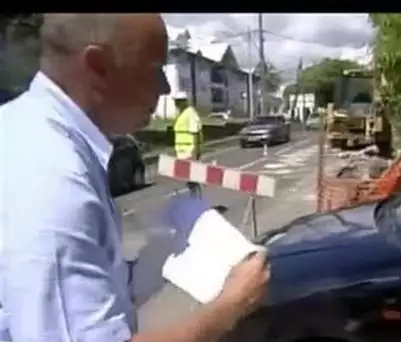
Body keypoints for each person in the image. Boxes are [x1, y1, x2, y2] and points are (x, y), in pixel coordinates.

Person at [0, 13, 269, 342]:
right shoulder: (52, 181)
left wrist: (152, 262)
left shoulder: (26, 129)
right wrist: (230, 307)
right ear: (98, 66)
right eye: (154, 68)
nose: (165, 87)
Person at [172, 91, 203, 196]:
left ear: (185, 102)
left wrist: (195, 153)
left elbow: (195, 134)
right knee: (188, 180)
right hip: (182, 152)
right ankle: (194, 199)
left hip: (189, 151)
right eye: (176, 102)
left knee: (192, 179)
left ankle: (196, 200)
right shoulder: (181, 114)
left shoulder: (190, 114)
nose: (177, 104)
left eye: (179, 102)